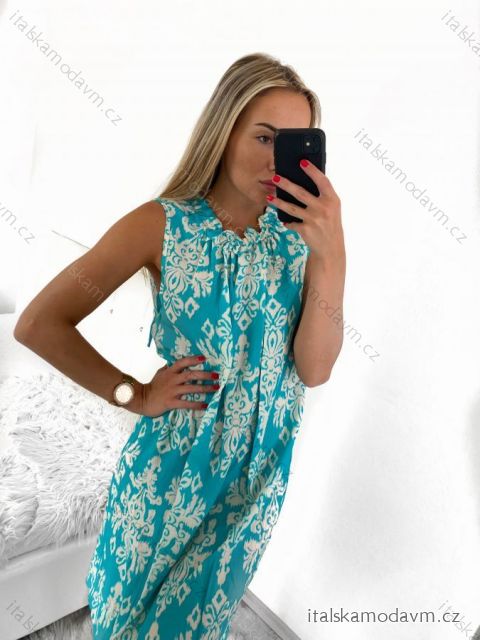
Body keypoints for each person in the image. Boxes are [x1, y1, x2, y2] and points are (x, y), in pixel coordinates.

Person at [13, 52, 346, 640]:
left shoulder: (305, 237)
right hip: (171, 468)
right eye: (263, 137)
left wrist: (332, 253)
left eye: (293, 142)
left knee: (197, 626)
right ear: (224, 131)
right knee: (125, 622)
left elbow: (314, 370)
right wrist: (134, 394)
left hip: (258, 475)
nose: (278, 160)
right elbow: (39, 323)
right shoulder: (161, 224)